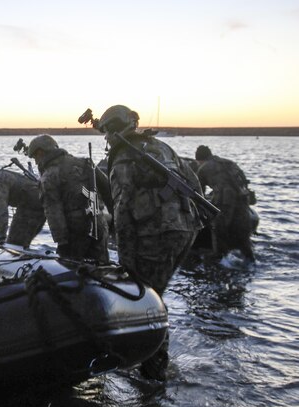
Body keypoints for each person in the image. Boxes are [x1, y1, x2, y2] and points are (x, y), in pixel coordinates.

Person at [96, 104, 203, 381]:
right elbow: (193, 181)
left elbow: (121, 212)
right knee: (157, 294)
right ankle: (155, 365)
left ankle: (154, 372)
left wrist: (126, 264)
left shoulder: (122, 159)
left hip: (158, 235)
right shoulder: (159, 147)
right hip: (186, 228)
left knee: (148, 300)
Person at [26, 135, 112, 263]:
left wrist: (62, 242)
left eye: (35, 158)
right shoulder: (85, 163)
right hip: (98, 224)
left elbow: (53, 212)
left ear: (40, 152)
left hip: (75, 232)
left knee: (72, 271)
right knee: (103, 269)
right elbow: (107, 190)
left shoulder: (49, 176)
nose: (36, 162)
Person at [195, 145, 255, 262]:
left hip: (225, 200)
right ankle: (249, 257)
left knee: (219, 227)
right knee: (241, 228)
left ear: (199, 159)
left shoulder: (203, 168)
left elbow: (198, 193)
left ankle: (220, 256)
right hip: (242, 198)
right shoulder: (229, 163)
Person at [0, 156, 45, 248]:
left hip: (31, 208)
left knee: (14, 245)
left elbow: (2, 212)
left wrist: (2, 239)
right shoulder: (0, 175)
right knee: (21, 243)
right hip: (42, 206)